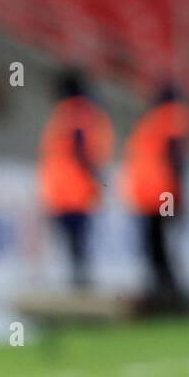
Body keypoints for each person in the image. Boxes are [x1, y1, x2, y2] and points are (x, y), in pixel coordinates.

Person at [123, 83, 189, 313]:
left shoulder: (151, 120)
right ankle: (169, 296)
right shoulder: (172, 117)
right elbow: (177, 158)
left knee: (156, 246)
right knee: (162, 246)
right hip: (162, 192)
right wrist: (180, 193)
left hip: (147, 193)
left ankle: (164, 294)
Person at [38, 69, 113, 287]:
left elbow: (79, 148)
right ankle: (81, 283)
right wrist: (97, 177)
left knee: (75, 243)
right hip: (76, 191)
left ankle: (81, 283)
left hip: (65, 191)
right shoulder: (83, 112)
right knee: (79, 242)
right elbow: (85, 150)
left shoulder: (67, 113)